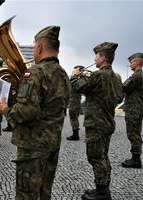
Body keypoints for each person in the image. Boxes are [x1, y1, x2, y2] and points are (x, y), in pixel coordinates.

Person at [0, 26, 70, 199]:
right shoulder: (63, 74)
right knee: (44, 192)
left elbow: (25, 111)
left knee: (26, 194)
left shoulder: (34, 73)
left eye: (35, 46)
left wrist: (4, 108)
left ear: (40, 47)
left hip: (33, 145)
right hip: (52, 143)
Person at [71, 42, 123, 200]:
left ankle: (102, 192)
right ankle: (102, 188)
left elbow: (79, 87)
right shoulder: (114, 77)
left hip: (96, 123)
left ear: (103, 58)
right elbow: (120, 97)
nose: (94, 58)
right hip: (107, 122)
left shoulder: (99, 75)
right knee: (103, 156)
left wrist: (75, 75)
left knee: (95, 157)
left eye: (97, 55)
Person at [121, 53, 143, 169]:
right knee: (135, 133)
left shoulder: (137, 76)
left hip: (134, 109)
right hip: (136, 108)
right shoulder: (139, 75)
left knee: (133, 134)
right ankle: (135, 157)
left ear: (137, 63)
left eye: (132, 62)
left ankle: (136, 160)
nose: (130, 64)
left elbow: (124, 87)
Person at [66, 65, 84, 141]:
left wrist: (74, 76)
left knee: (73, 117)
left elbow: (73, 85)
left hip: (74, 101)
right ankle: (75, 133)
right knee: (74, 117)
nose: (73, 71)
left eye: (75, 70)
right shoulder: (79, 79)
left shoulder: (78, 80)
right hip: (73, 100)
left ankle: (75, 134)